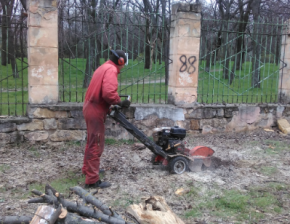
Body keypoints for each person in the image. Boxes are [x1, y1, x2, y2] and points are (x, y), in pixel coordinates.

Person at [82, 49, 130, 188]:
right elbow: (108, 93)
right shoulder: (111, 70)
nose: (122, 67)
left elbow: (100, 91)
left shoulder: (103, 67)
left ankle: (87, 169)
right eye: (123, 64)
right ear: (121, 61)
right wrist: (119, 102)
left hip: (91, 107)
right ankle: (92, 180)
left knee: (91, 142)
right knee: (96, 144)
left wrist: (110, 106)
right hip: (95, 109)